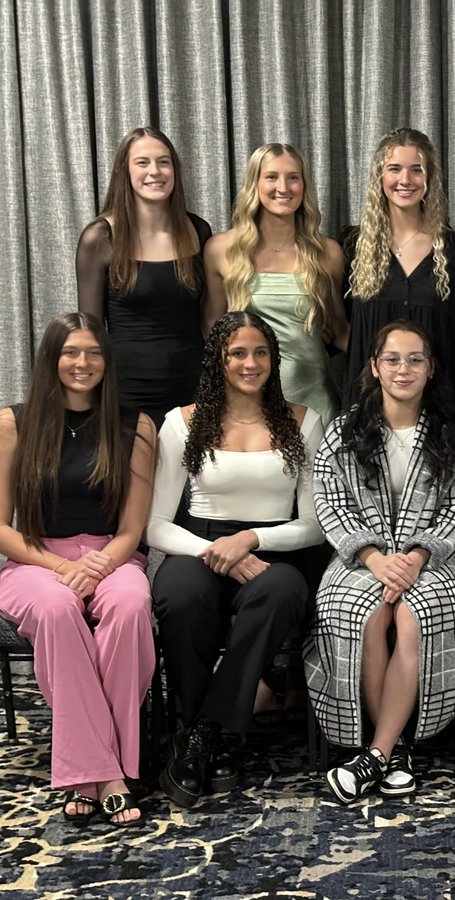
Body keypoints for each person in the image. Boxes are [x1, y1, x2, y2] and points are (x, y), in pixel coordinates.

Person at [149, 311, 324, 808]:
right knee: (180, 596)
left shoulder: (303, 420)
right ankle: (208, 731)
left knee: (283, 592)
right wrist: (214, 549)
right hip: (196, 545)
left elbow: (314, 523)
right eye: (238, 353)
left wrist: (251, 540)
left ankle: (204, 732)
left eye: (261, 352)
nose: (251, 363)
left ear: (274, 358)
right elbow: (155, 524)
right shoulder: (180, 423)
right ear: (219, 361)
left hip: (272, 545)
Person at [306, 320, 455, 803]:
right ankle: (394, 751)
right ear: (375, 367)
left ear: (431, 369)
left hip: (434, 560)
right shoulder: (343, 433)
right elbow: (330, 504)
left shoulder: (453, 437)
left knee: (415, 614)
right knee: (363, 612)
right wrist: (372, 557)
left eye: (415, 359)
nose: (404, 369)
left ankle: (376, 753)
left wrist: (418, 556)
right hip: (359, 559)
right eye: (393, 359)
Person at [0, 312, 156, 825]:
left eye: (93, 352)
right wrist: (61, 567)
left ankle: (88, 770)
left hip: (113, 555)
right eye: (71, 352)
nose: (82, 363)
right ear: (52, 359)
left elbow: (134, 529)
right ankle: (107, 773)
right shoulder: (12, 424)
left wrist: (97, 566)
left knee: (133, 604)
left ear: (106, 361)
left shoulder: (136, 426)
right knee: (56, 606)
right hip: (34, 557)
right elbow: (1, 527)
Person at [202, 142, 347, 426]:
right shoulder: (220, 249)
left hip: (315, 398)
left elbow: (339, 330)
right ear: (254, 184)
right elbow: (211, 328)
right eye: (271, 177)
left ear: (304, 186)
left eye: (293, 177)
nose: (284, 187)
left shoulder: (328, 253)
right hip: (247, 398)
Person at [76, 126, 212, 425]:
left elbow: (208, 319)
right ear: (124, 171)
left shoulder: (198, 230)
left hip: (193, 386)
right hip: (127, 390)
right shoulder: (100, 237)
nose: (155, 171)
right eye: (142, 162)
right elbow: (91, 329)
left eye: (164, 162)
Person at [342, 128, 455, 411]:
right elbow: (338, 329)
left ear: (429, 178)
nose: (405, 180)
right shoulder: (352, 248)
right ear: (380, 177)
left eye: (416, 170)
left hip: (439, 413)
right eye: (394, 169)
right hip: (367, 411)